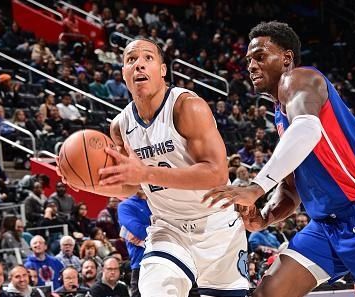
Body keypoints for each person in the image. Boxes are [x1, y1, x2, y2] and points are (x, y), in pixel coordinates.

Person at [202, 21, 355, 297]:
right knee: (268, 293)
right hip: (327, 226)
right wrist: (263, 217)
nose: (251, 66)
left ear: (286, 58)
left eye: (260, 56)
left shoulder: (301, 79)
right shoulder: (280, 113)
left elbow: (308, 128)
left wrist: (255, 188)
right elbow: (292, 187)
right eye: (248, 60)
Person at [82, 38, 248, 296]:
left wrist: (146, 173)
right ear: (123, 73)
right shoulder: (120, 125)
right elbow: (131, 185)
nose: (139, 65)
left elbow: (216, 174)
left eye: (148, 58)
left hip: (218, 227)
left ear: (162, 70)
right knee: (156, 289)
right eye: (131, 60)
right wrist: (82, 183)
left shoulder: (187, 107)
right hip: (168, 229)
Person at [117, 189, 151, 297]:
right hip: (141, 263)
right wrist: (160, 229)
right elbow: (140, 232)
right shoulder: (125, 206)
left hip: (168, 261)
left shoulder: (158, 203)